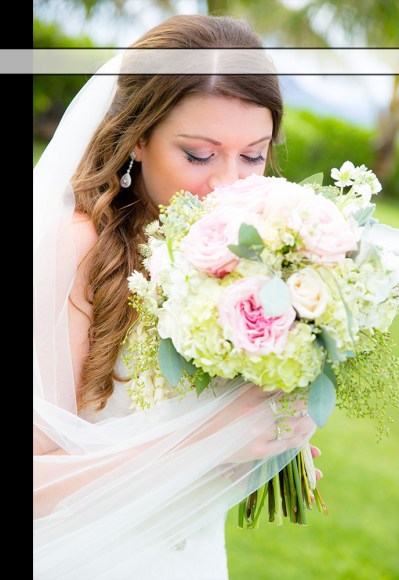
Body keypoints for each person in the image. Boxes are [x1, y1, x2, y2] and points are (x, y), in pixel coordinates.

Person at [33, 15, 322, 580]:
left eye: (254, 155)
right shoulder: (79, 247)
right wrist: (213, 436)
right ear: (138, 138)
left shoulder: (255, 254)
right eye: (198, 155)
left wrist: (267, 439)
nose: (229, 185)